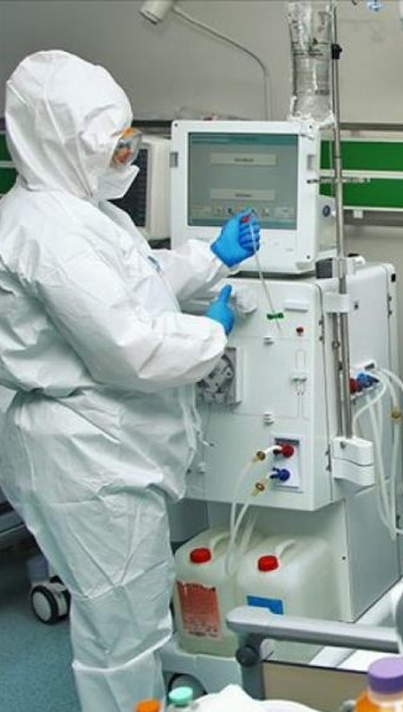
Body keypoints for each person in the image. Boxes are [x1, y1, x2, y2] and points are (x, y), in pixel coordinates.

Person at [0, 50, 259, 711]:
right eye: (113, 146)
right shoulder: (46, 234)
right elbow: (130, 346)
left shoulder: (81, 209)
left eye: (128, 141)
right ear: (64, 142)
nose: (127, 158)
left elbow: (138, 281)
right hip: (84, 458)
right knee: (122, 633)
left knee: (134, 611)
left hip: (107, 444)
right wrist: (213, 332)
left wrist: (211, 258)